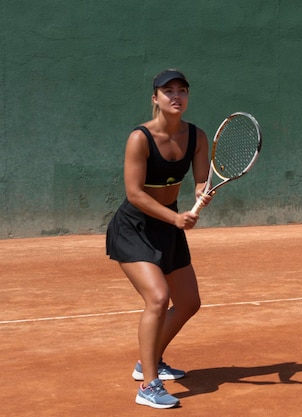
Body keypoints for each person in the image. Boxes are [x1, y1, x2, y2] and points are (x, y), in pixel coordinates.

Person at [106, 69, 212, 408]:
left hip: (169, 228)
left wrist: (200, 191)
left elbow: (199, 180)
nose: (176, 96)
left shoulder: (196, 137)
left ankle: (148, 361)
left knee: (189, 302)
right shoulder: (140, 138)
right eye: (168, 91)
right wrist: (176, 218)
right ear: (155, 98)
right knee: (157, 297)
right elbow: (135, 194)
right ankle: (148, 385)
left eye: (182, 90)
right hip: (134, 227)